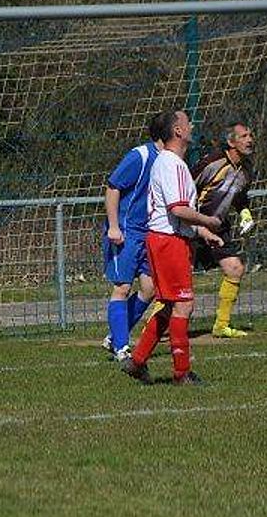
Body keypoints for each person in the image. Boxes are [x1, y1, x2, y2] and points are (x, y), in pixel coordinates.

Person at [119, 110, 224, 386]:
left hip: (169, 239)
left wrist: (202, 232)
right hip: (169, 242)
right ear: (177, 131)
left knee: (169, 305)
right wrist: (208, 221)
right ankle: (182, 373)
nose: (192, 126)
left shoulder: (171, 163)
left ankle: (137, 361)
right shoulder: (172, 164)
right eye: (187, 123)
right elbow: (177, 209)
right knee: (184, 305)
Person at [100, 113, 168, 361]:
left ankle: (114, 336)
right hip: (127, 231)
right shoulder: (140, 156)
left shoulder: (170, 160)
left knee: (149, 289)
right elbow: (113, 187)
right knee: (122, 287)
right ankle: (122, 347)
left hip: (149, 233)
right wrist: (114, 226)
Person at [192, 122, 256, 338]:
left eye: (250, 135)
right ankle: (156, 327)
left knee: (235, 268)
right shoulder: (213, 162)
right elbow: (185, 187)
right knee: (177, 281)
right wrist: (194, 221)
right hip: (194, 226)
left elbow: (239, 196)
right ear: (230, 142)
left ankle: (221, 325)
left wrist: (245, 212)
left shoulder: (246, 168)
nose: (250, 140)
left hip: (218, 227)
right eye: (244, 136)